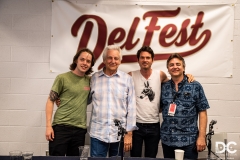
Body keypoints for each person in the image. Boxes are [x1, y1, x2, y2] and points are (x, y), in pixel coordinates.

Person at [128, 46, 194, 158]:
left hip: (154, 125)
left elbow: (174, 84)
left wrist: (187, 76)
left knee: (151, 157)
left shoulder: (160, 75)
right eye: (142, 58)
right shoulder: (130, 75)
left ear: (152, 60)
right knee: (135, 157)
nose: (145, 60)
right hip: (136, 125)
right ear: (138, 60)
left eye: (148, 58)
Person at [89, 44, 137, 157]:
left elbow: (132, 107)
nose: (113, 61)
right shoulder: (94, 78)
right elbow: (84, 100)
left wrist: (129, 133)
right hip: (98, 133)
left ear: (120, 61)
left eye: (116, 58)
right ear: (104, 60)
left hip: (119, 135)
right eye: (110, 58)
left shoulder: (127, 80)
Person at [45, 48, 95, 156]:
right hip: (61, 127)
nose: (85, 63)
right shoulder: (62, 78)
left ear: (91, 65)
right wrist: (48, 126)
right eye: (82, 59)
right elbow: (50, 101)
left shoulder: (90, 81)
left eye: (88, 61)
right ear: (76, 60)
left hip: (80, 130)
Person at [160, 53, 209, 159]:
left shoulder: (195, 86)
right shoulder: (163, 87)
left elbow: (202, 112)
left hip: (189, 140)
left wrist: (201, 137)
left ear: (183, 67)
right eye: (171, 65)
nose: (175, 67)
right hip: (167, 140)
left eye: (178, 64)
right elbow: (158, 108)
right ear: (168, 69)